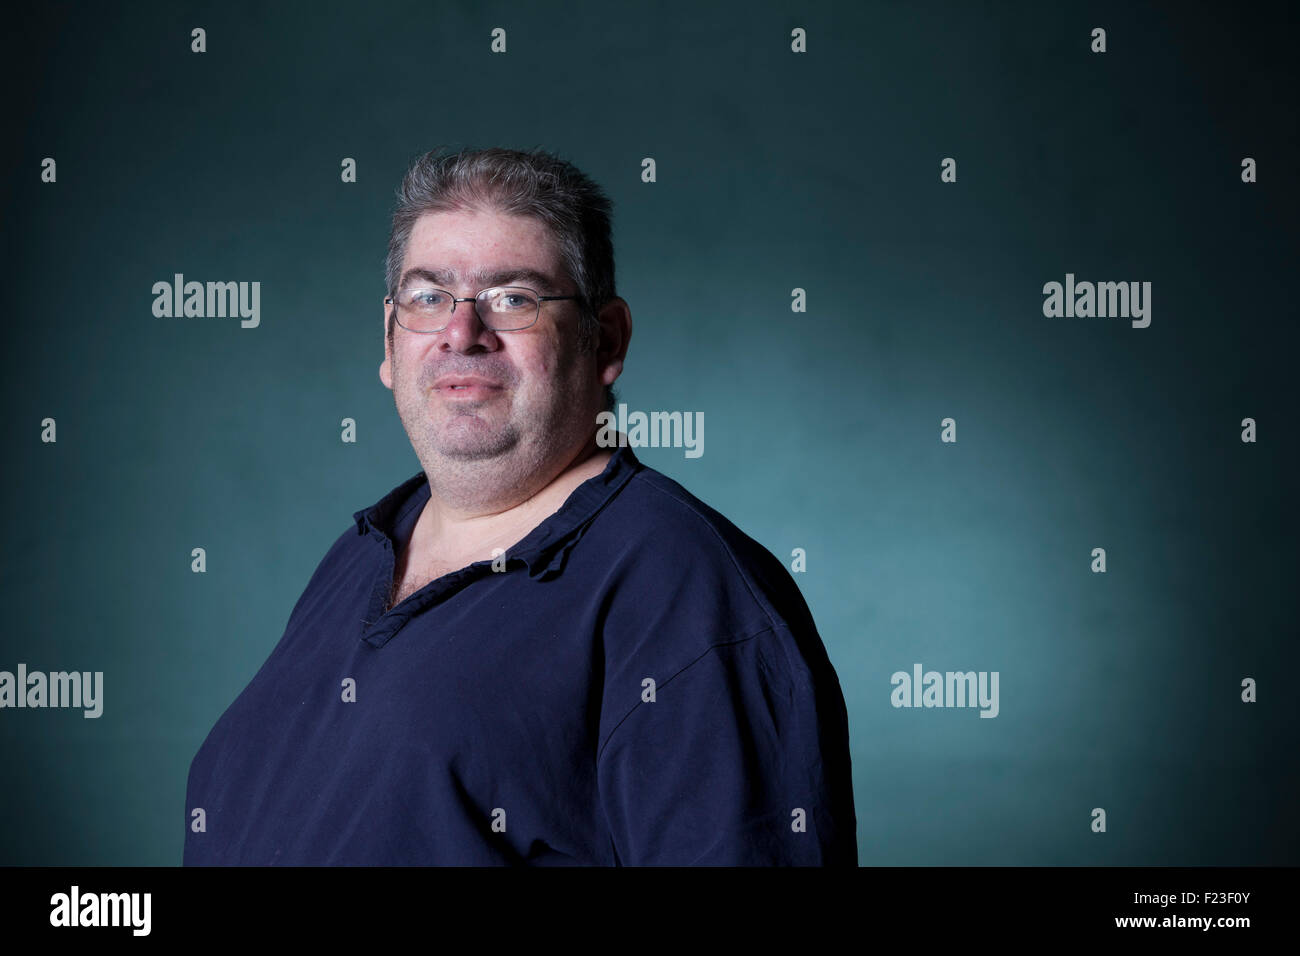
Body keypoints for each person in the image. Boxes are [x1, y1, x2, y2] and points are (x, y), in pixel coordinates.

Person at [183, 146, 858, 865]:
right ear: (388, 339)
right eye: (427, 296)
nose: (461, 333)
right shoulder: (362, 553)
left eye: (514, 298)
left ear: (607, 340)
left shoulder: (685, 594)